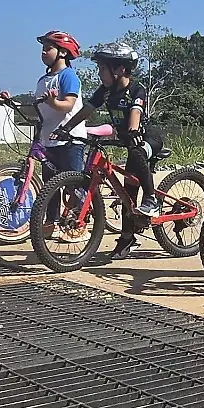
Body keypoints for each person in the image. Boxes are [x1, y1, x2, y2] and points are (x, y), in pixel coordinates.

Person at [53, 41, 162, 260]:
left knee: (137, 152)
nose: (99, 73)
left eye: (102, 68)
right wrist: (66, 128)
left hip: (147, 138)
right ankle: (127, 237)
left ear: (120, 69)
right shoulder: (105, 91)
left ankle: (152, 200)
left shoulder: (135, 90)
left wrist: (131, 132)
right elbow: (86, 110)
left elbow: (135, 114)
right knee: (127, 194)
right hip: (128, 141)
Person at [32, 30, 87, 237]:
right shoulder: (43, 80)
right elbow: (37, 107)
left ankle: (78, 224)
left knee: (74, 186)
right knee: (50, 187)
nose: (44, 52)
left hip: (70, 140)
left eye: (48, 48)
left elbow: (68, 104)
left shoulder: (68, 76)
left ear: (63, 53)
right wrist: (10, 103)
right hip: (49, 140)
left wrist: (54, 102)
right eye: (43, 48)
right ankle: (51, 223)